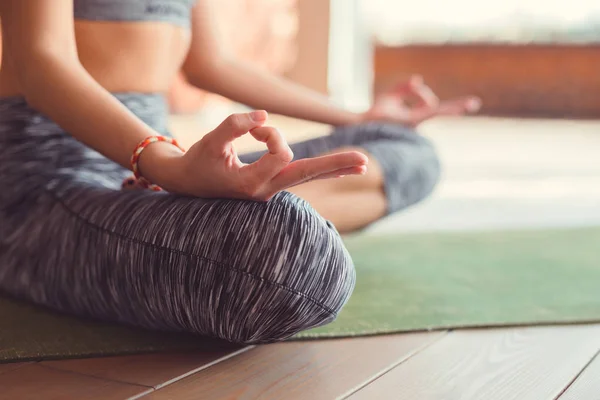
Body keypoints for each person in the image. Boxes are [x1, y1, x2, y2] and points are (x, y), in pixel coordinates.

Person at [0, 0, 480, 344]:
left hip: (158, 172)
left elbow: (213, 64)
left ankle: (228, 215)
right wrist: (166, 164)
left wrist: (357, 119)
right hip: (49, 182)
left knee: (409, 151)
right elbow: (43, 61)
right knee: (291, 260)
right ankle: (249, 221)